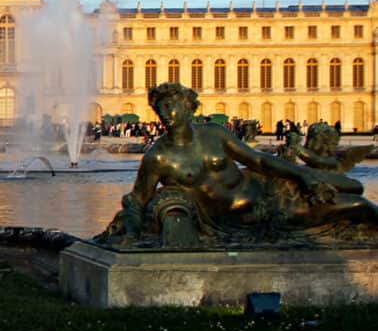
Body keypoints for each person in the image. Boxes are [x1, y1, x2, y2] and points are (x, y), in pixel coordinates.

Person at [101, 82, 378, 248]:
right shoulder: (158, 157)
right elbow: (138, 198)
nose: (165, 113)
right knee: (358, 206)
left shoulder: (214, 133)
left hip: (266, 188)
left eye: (172, 105)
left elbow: (258, 160)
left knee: (354, 186)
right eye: (160, 108)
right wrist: (130, 227)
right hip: (250, 215)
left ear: (188, 106)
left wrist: (304, 175)